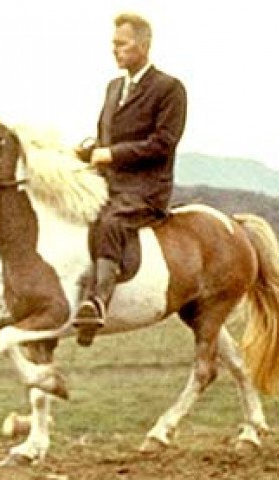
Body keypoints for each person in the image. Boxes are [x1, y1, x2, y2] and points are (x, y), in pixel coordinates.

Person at [74, 12, 188, 345]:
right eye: (114, 44)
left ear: (143, 45)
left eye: (121, 44)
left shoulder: (169, 89)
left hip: (146, 190)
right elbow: (104, 138)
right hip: (109, 183)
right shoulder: (113, 88)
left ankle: (97, 301)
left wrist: (112, 154)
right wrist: (87, 151)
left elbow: (163, 143)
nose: (115, 50)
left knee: (110, 222)